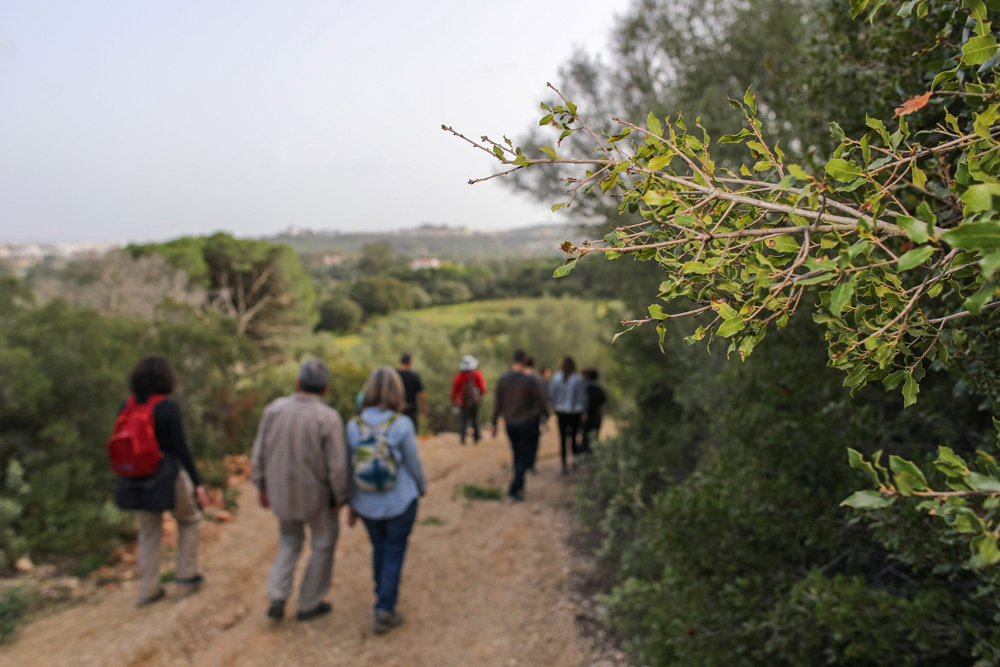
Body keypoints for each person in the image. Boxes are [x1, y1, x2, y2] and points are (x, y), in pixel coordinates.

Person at [251, 358, 348, 622]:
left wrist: (261, 485)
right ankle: (309, 603)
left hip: (281, 495)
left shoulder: (274, 409)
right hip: (316, 499)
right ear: (326, 388)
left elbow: (259, 452)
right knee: (323, 544)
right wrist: (340, 496)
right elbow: (337, 467)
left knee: (289, 541)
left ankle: (278, 595)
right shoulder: (328, 418)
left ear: (297, 383)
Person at [113, 355, 208, 607]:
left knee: (148, 532)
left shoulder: (127, 405)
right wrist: (197, 483)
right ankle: (186, 574)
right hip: (167, 474)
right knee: (189, 520)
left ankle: (148, 590)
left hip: (134, 477)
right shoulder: (168, 407)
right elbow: (181, 447)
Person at [348, 366, 428, 635]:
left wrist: (350, 500)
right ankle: (384, 607)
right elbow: (413, 464)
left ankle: (382, 593)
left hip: (366, 502)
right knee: (394, 550)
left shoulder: (353, 426)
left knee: (379, 548)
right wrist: (422, 486)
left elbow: (348, 466)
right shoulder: (402, 424)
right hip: (399, 500)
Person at [491, 349, 548, 501]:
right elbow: (540, 401)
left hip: (510, 423)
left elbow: (497, 403)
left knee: (517, 453)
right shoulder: (530, 381)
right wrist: (545, 414)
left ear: (512, 359)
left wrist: (494, 421)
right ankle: (514, 488)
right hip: (526, 423)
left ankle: (519, 485)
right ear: (524, 361)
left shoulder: (503, 379)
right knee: (524, 455)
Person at [549, 355, 586, 475]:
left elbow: (552, 395)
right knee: (575, 438)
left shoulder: (557, 377)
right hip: (575, 412)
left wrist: (554, 406)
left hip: (561, 412)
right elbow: (581, 397)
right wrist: (583, 411)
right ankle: (574, 462)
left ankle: (564, 464)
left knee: (563, 438)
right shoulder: (578, 378)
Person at [451, 355, 487, 444]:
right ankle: (476, 437)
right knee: (475, 419)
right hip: (475, 402)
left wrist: (454, 400)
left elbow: (454, 390)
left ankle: (463, 438)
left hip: (462, 402)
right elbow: (482, 389)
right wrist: (480, 396)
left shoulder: (459, 376)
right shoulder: (477, 374)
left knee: (463, 420)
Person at [521, 356, 545, 474]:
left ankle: (522, 463)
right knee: (533, 440)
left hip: (520, 415)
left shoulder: (518, 378)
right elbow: (540, 398)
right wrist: (545, 413)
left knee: (522, 440)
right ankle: (530, 463)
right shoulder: (537, 379)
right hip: (533, 416)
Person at [396, 351, 428, 433]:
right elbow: (421, 395)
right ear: (410, 361)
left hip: (397, 410)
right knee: (412, 434)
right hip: (411, 410)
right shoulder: (414, 376)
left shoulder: (394, 374)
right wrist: (424, 408)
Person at [580, 368, 608, 455]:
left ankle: (585, 454)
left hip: (587, 415)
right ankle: (592, 453)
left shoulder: (586, 389)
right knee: (594, 436)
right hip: (597, 415)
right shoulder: (599, 389)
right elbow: (604, 399)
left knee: (585, 436)